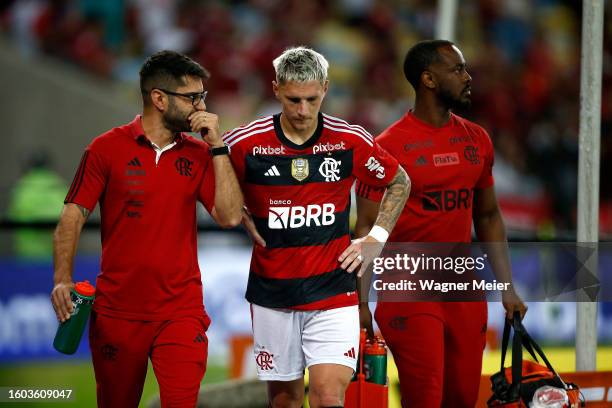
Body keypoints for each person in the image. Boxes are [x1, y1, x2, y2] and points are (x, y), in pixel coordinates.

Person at [50, 50, 243, 408]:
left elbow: (230, 217)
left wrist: (218, 146)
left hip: (181, 313)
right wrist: (62, 279)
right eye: (192, 97)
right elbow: (72, 217)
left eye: (202, 96)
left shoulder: (201, 154)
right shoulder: (105, 149)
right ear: (158, 98)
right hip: (117, 315)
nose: (202, 107)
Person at [226, 46, 409, 408]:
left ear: (325, 88)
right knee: (284, 401)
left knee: (329, 395)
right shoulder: (245, 143)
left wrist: (376, 237)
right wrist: (235, 211)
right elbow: (204, 179)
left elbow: (400, 181)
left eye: (311, 99)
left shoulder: (349, 139)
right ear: (276, 88)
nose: (303, 111)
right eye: (293, 100)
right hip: (273, 293)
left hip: (333, 289)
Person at [355, 40, 527, 408]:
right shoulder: (386, 148)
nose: (468, 78)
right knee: (426, 400)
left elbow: (488, 216)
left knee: (464, 399)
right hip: (409, 290)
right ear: (428, 80)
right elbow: (366, 229)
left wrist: (506, 286)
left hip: (464, 290)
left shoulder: (476, 139)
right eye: (458, 70)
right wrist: (361, 303)